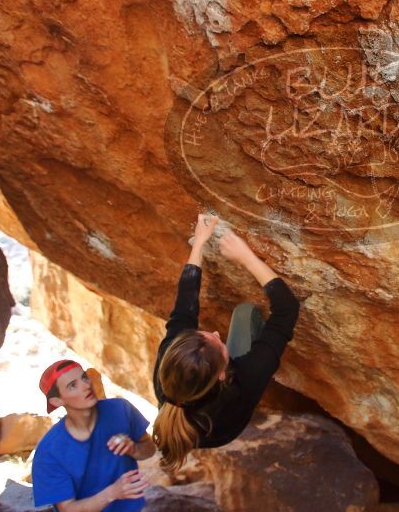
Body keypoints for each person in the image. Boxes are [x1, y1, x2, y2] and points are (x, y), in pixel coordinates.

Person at [152, 214, 300, 471]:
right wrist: (246, 258)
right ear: (223, 374)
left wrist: (199, 242)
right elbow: (287, 309)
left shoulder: (171, 362)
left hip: (201, 419)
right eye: (220, 345)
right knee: (245, 314)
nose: (217, 333)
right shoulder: (245, 380)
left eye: (208, 335)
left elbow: (185, 307)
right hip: (225, 430)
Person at [32, 360, 156, 511]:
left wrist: (133, 449)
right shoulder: (49, 452)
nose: (86, 386)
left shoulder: (121, 410)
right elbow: (67, 509)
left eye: (84, 377)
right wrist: (112, 493)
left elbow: (149, 449)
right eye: (73, 385)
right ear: (57, 401)